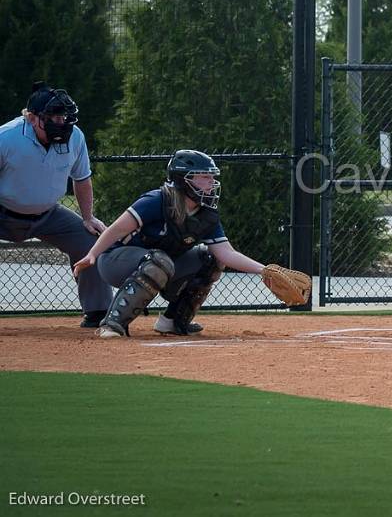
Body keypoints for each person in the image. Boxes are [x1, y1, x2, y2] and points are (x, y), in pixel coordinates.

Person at [72, 150, 268, 338]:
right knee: (159, 260)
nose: (211, 182)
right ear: (183, 180)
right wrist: (93, 254)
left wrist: (265, 271)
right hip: (115, 260)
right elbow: (116, 229)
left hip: (160, 262)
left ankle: (172, 321)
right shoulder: (157, 200)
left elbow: (226, 254)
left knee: (210, 259)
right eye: (203, 177)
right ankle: (112, 324)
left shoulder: (205, 213)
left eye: (211, 177)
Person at [0, 82, 111, 326]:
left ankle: (98, 312)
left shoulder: (75, 137)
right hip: (4, 212)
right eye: (52, 117)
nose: (60, 123)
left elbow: (81, 179)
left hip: (48, 214)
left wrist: (88, 217)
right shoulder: (6, 138)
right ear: (31, 118)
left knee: (91, 241)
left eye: (63, 117)